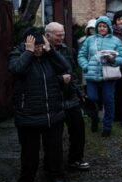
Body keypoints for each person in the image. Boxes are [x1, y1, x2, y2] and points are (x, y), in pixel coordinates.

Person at [8, 27, 69, 182]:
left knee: (54, 149)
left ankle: (56, 176)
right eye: (35, 46)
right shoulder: (18, 54)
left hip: (52, 113)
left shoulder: (48, 55)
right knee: (29, 153)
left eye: (41, 46)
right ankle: (26, 181)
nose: (39, 49)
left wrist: (51, 52)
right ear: (27, 43)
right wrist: (28, 53)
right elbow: (16, 70)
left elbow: (65, 67)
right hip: (28, 114)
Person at [45, 22, 90, 170]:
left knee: (78, 129)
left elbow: (72, 72)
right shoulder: (42, 51)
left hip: (70, 97)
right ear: (48, 35)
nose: (62, 37)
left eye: (63, 34)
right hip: (52, 99)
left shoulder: (65, 49)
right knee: (52, 137)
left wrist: (79, 92)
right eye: (58, 35)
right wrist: (59, 80)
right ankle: (51, 165)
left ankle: (75, 159)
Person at [78, 16, 122, 136]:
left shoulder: (116, 41)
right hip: (92, 76)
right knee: (92, 98)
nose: (102, 28)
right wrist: (86, 66)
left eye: (104, 26)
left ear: (108, 27)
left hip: (108, 76)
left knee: (108, 100)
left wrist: (113, 59)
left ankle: (107, 126)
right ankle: (94, 118)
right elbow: (81, 55)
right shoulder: (89, 40)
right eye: (99, 26)